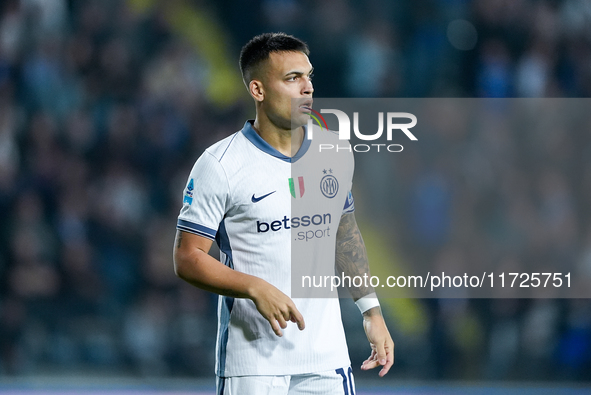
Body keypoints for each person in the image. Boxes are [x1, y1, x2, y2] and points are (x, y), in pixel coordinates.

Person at [173, 32, 394, 395]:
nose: (307, 88)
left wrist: (371, 312)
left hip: (326, 360)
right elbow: (187, 257)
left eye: (308, 77)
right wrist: (253, 287)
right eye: (292, 78)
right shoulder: (220, 164)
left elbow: (344, 234)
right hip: (252, 363)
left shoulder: (334, 151)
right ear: (258, 90)